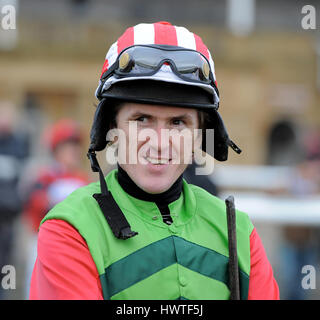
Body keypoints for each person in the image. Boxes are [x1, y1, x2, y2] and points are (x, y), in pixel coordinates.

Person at [30, 21, 279, 300]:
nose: (160, 142)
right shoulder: (70, 229)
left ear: (199, 135)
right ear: (112, 130)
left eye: (178, 122)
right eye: (142, 119)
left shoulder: (238, 231)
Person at [23, 119, 90, 297]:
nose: (73, 151)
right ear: (56, 150)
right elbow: (32, 205)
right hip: (41, 241)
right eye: (68, 146)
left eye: (76, 146)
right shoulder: (44, 176)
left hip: (74, 244)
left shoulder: (83, 179)